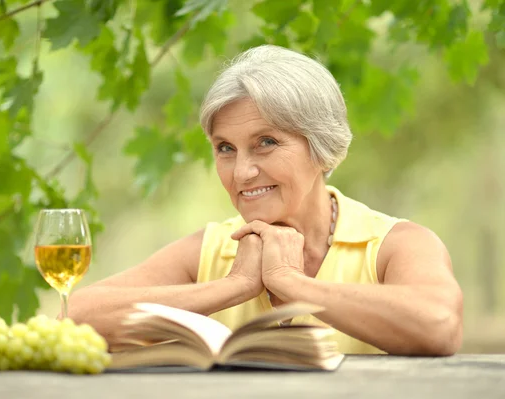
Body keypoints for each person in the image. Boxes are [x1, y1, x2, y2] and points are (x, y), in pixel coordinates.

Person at [68, 45, 463, 355]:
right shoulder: (212, 250)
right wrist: (235, 285)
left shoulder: (396, 245)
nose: (241, 172)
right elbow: (75, 318)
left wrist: (290, 282)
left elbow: (439, 325)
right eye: (225, 148)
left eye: (266, 143)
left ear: (321, 149)